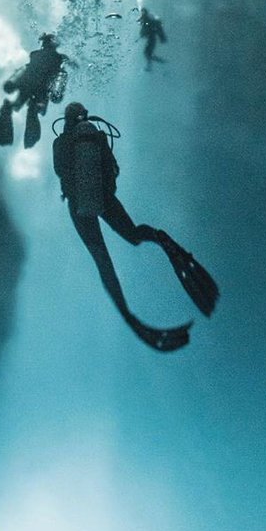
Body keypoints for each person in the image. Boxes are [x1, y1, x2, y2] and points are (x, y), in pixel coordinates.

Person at [51, 102, 218, 352]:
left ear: (65, 120)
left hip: (78, 206)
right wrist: (107, 191)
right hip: (107, 199)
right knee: (135, 236)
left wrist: (76, 190)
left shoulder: (60, 142)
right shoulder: (97, 135)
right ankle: (163, 240)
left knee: (102, 261)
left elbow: (61, 173)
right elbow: (112, 168)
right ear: (85, 116)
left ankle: (128, 315)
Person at [0, 33, 69, 149]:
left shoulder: (38, 56)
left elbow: (24, 70)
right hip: (39, 91)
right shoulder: (57, 59)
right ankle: (16, 138)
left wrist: (13, 83)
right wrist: (56, 93)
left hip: (28, 86)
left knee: (23, 109)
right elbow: (59, 78)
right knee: (32, 111)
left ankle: (5, 136)